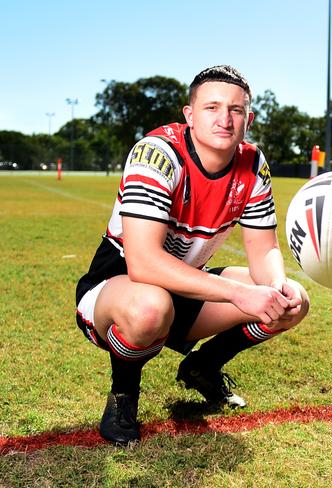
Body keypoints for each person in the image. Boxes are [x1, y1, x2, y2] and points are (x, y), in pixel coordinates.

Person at [75, 65, 310, 446]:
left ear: (248, 118)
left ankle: (203, 366)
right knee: (150, 307)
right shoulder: (158, 153)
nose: (225, 119)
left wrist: (275, 287)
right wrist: (238, 294)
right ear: (189, 115)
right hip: (118, 288)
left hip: (188, 286)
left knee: (293, 301)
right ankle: (123, 396)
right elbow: (144, 262)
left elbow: (264, 248)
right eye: (212, 107)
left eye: (236, 110)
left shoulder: (252, 164)